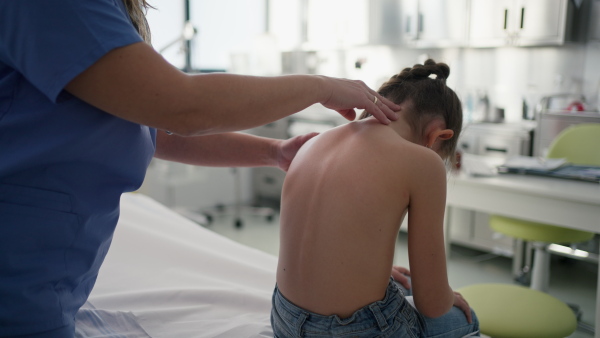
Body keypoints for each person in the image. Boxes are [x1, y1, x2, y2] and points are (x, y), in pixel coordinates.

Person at [0, 1, 401, 337]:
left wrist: (276, 151)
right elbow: (182, 108)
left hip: (48, 287)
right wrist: (322, 87)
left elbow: (151, 126)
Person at [272, 60, 480, 337]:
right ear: (437, 134)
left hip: (285, 317)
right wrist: (447, 297)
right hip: (357, 329)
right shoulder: (423, 162)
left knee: (403, 281)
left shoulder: (315, 142)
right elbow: (431, 303)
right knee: (465, 320)